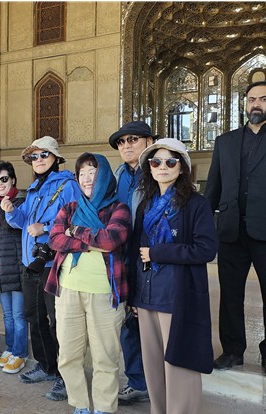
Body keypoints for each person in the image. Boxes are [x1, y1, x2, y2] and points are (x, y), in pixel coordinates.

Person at [205, 81, 266, 379]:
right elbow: (213, 188)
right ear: (245, 103)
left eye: (263, 99)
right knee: (230, 296)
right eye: (251, 99)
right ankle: (233, 350)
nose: (256, 104)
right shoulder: (225, 141)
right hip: (231, 230)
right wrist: (203, 225)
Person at [130, 139, 218, 413]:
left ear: (182, 168)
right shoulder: (146, 205)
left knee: (179, 363)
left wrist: (159, 253)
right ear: (149, 168)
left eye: (170, 161)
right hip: (147, 295)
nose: (163, 167)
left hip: (177, 296)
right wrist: (133, 296)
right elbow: (135, 251)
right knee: (153, 365)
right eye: (156, 162)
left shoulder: (195, 204)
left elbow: (206, 249)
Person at [45, 153, 130, 414]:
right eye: (82, 174)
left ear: (104, 176)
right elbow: (54, 239)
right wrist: (91, 240)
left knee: (105, 356)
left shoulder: (118, 209)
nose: (87, 178)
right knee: (68, 354)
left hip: (104, 292)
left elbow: (110, 240)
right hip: (67, 290)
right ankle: (80, 404)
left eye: (93, 172)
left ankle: (104, 407)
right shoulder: (70, 208)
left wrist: (74, 232)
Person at [2, 136, 80, 401]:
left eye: (44, 155)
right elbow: (21, 222)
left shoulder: (68, 185)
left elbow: (76, 221)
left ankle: (66, 377)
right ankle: (47, 365)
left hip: (53, 263)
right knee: (34, 316)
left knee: (59, 321)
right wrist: (10, 210)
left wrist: (45, 228)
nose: (38, 160)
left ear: (56, 158)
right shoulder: (34, 188)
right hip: (32, 263)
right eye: (34, 156)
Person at [108, 121, 156, 404]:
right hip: (123, 256)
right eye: (122, 141)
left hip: (150, 257)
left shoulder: (158, 169)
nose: (126, 145)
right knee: (129, 321)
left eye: (133, 139)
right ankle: (138, 382)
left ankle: (159, 382)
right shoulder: (119, 174)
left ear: (150, 141)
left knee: (152, 322)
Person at [0, 161, 28, 374]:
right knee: (8, 315)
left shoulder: (20, 200)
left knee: (19, 316)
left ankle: (20, 353)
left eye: (4, 179)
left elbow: (9, 224)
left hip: (17, 266)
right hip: (2, 267)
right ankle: (11, 349)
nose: (0, 183)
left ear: (12, 180)